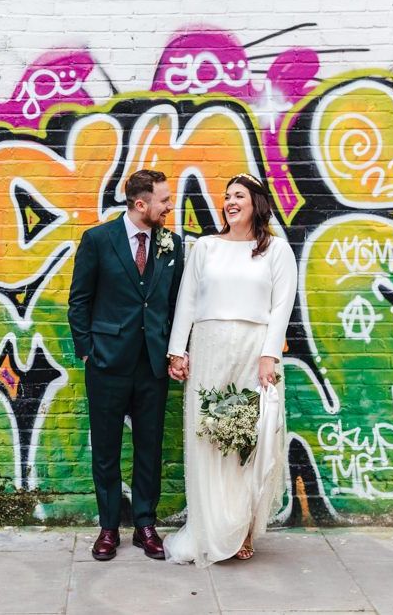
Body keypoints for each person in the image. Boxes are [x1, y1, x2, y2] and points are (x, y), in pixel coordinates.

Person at [164, 173, 297, 567]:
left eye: (238, 195)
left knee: (246, 442)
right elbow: (187, 300)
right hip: (209, 351)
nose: (230, 201)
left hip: (252, 353)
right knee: (210, 437)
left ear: (257, 202)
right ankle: (210, 528)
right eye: (226, 197)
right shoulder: (205, 247)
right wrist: (177, 351)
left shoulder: (275, 250)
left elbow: (281, 306)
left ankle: (240, 530)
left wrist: (269, 355)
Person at [68, 169, 184, 561]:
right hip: (106, 363)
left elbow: (176, 302)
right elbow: (79, 300)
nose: (170, 207)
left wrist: (175, 349)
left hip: (152, 364)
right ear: (141, 204)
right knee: (106, 449)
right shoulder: (98, 240)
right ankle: (108, 528)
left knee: (149, 447)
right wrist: (87, 350)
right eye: (164, 201)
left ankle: (146, 525)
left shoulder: (172, 244)